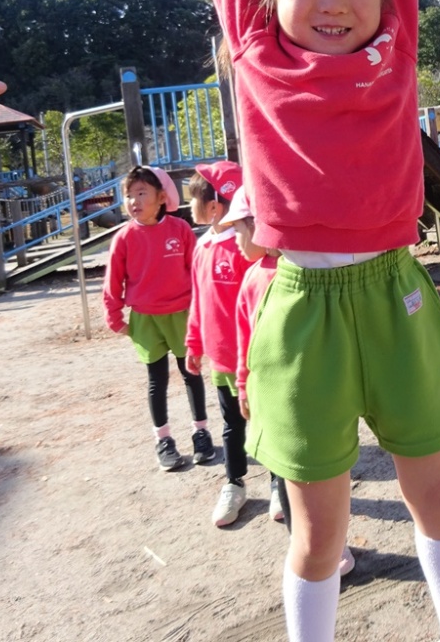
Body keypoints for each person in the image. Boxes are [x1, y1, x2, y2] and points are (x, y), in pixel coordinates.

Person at [176, 0, 440, 641]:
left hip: (395, 291)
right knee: (319, 533)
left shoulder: (396, 46)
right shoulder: (256, 51)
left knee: (436, 498)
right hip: (300, 302)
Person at [229, 188, 355, 575]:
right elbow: (246, 341)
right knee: (296, 473)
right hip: (286, 391)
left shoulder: (294, 272)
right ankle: (314, 547)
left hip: (302, 387)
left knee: (312, 474)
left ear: (261, 226)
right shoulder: (258, 278)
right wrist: (243, 384)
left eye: (239, 231)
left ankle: (326, 547)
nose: (236, 241)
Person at [103, 165, 209, 471]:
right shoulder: (124, 238)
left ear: (162, 197)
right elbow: (113, 281)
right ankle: (163, 440)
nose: (134, 201)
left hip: (182, 315)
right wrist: (115, 317)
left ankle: (201, 433)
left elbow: (197, 272)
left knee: (191, 374)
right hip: (145, 319)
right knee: (156, 380)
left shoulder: (180, 230)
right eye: (129, 195)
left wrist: (202, 311)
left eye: (141, 193)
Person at [185, 160, 252, 526]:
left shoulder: (245, 248)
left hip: (253, 360)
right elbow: (198, 300)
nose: (188, 205)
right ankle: (234, 482)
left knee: (265, 423)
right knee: (231, 424)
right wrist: (194, 343)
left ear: (214, 206)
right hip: (221, 360)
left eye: (193, 198)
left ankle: (280, 483)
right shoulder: (202, 247)